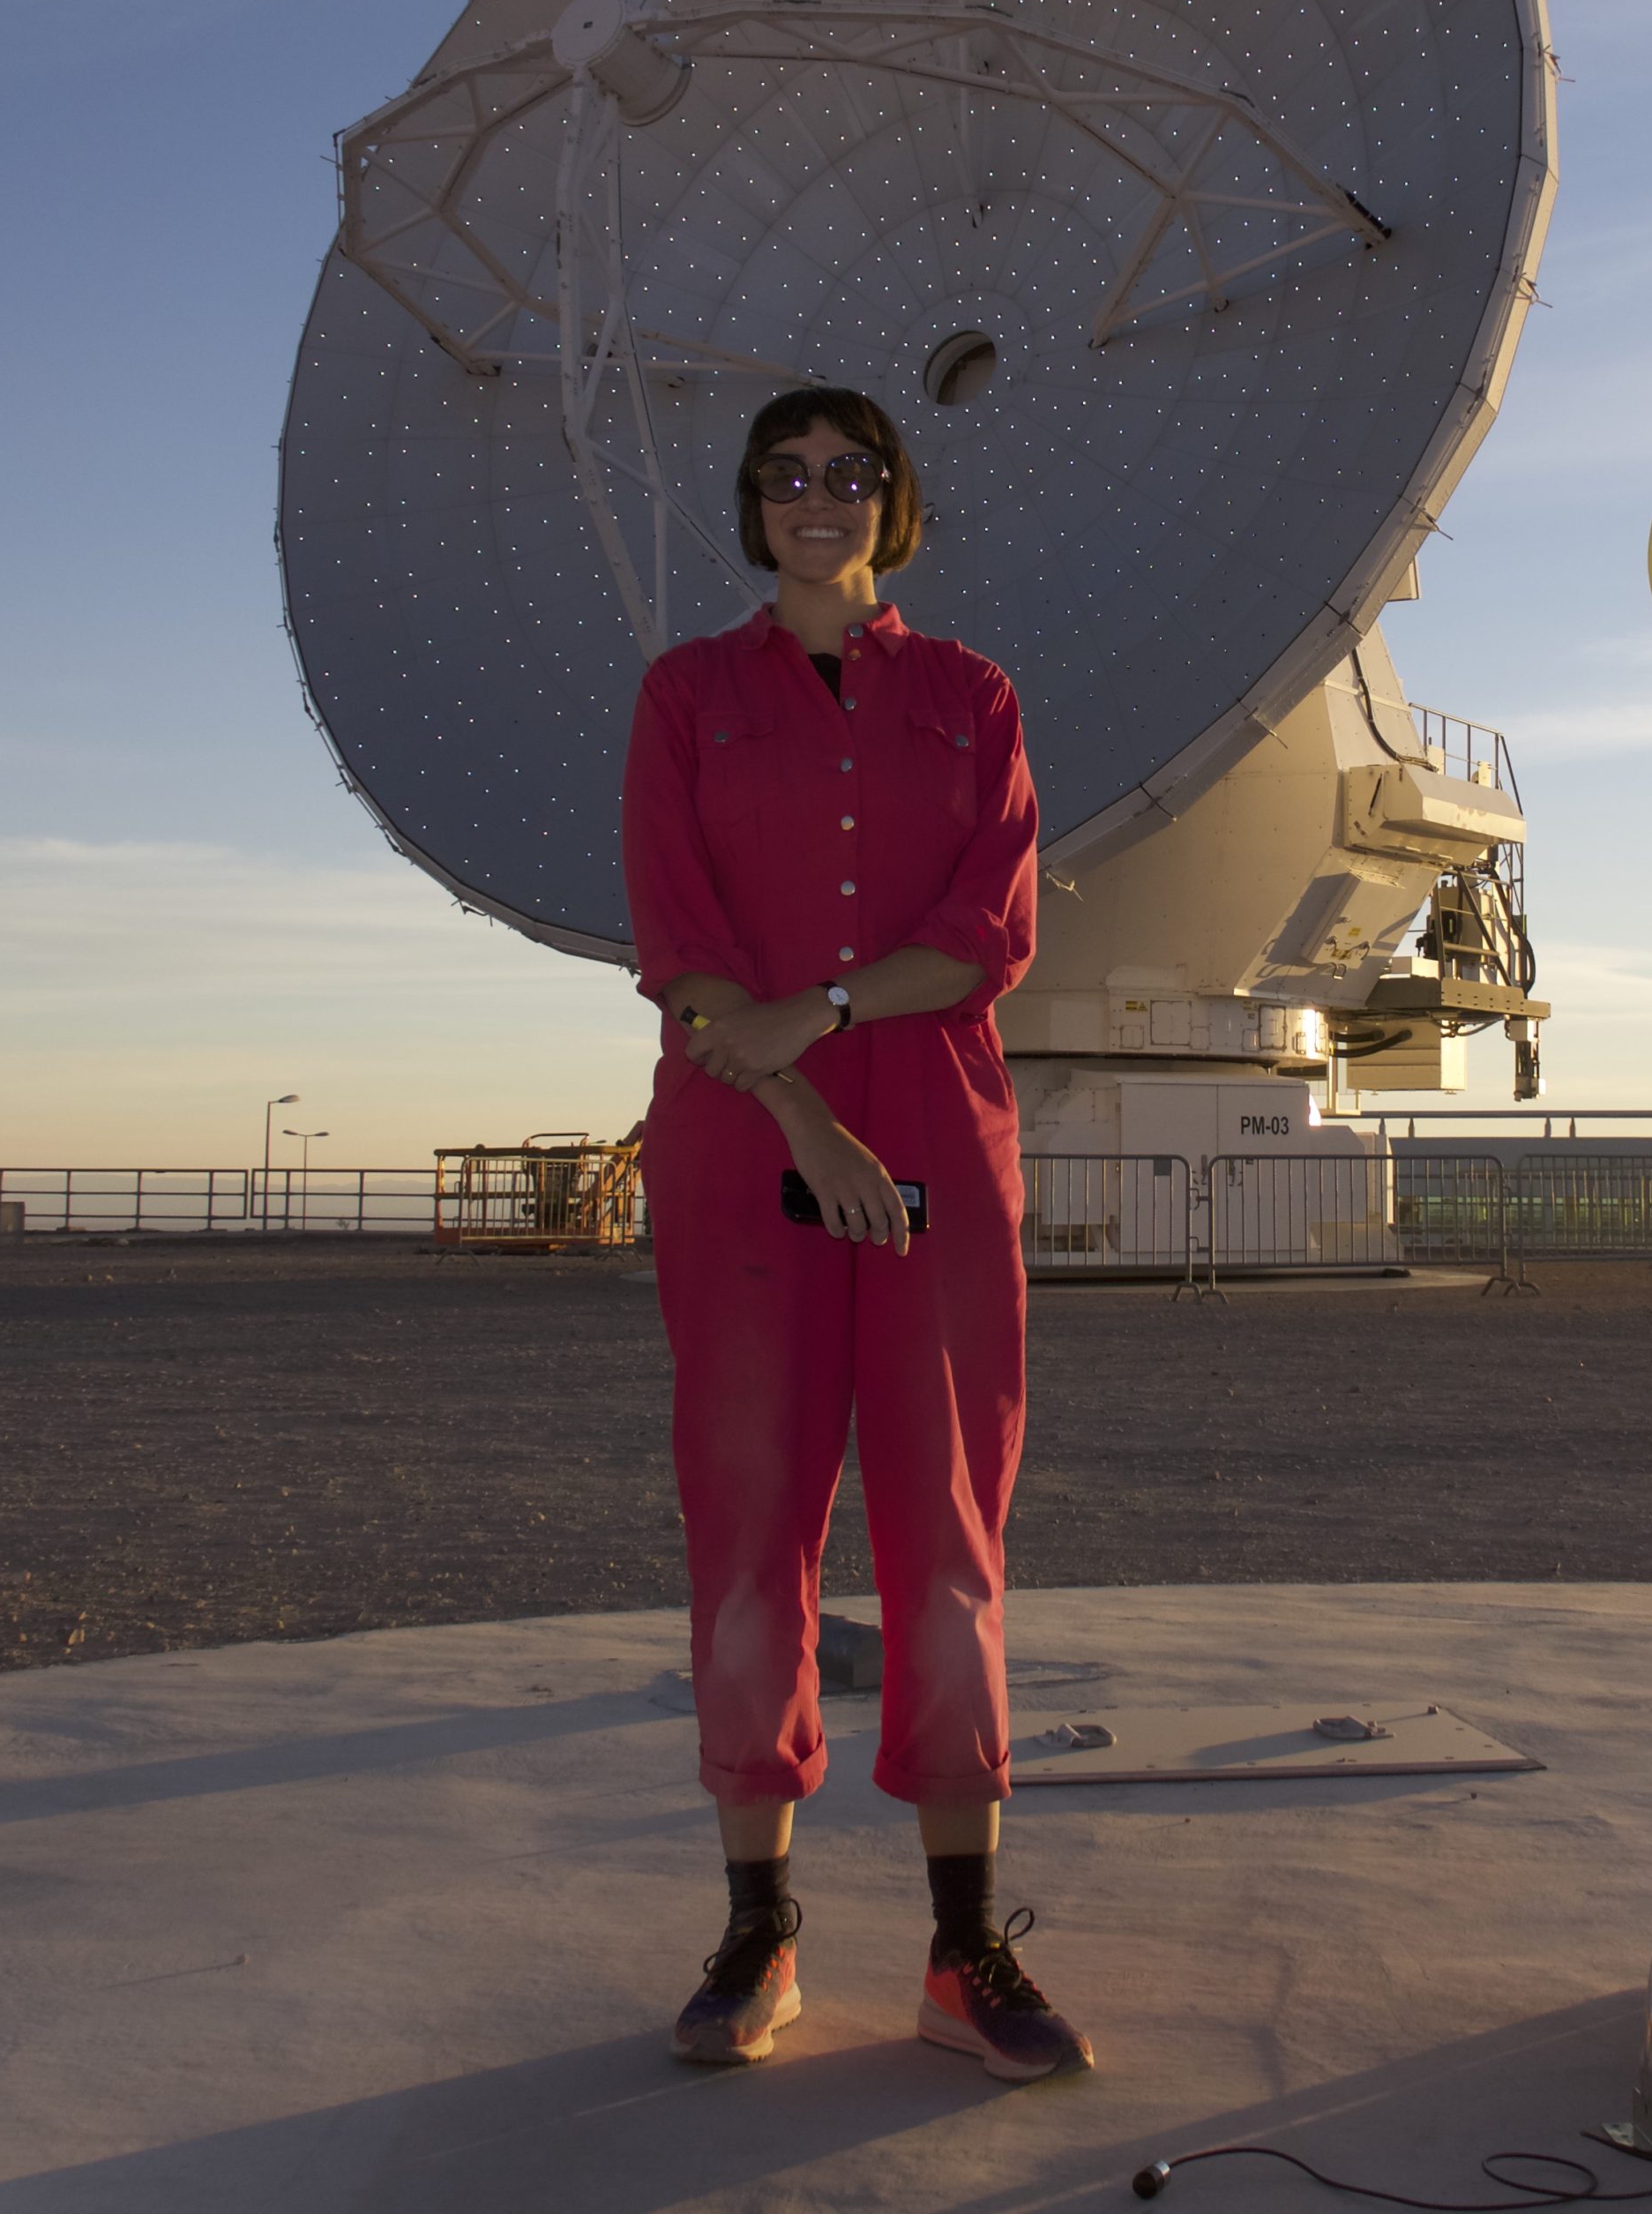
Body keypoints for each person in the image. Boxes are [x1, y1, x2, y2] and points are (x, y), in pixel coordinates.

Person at [617, 385, 1087, 2081]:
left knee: (948, 1537)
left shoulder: (971, 698)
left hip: (936, 1154)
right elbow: (681, 947)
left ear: (896, 502)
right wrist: (807, 1108)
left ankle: (967, 1947)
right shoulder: (688, 699)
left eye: (852, 475)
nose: (820, 498)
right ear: (754, 506)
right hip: (749, 1159)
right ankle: (761, 1928)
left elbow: (984, 935)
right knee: (750, 1533)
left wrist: (811, 1015)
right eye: (787, 476)